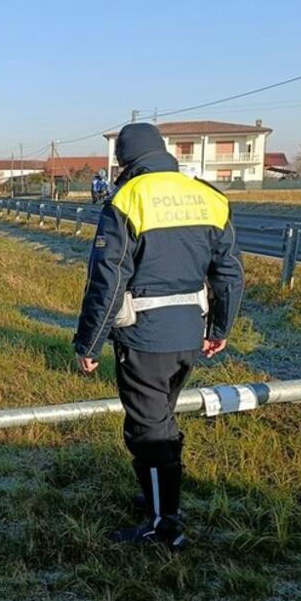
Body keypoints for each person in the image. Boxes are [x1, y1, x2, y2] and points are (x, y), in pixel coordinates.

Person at [72, 123, 245, 551]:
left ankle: (163, 527)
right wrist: (219, 328)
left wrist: (88, 344)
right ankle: (158, 498)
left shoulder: (127, 200)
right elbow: (230, 273)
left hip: (146, 338)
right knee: (162, 420)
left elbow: (108, 282)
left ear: (125, 160)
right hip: (190, 334)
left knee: (147, 432)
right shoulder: (209, 196)